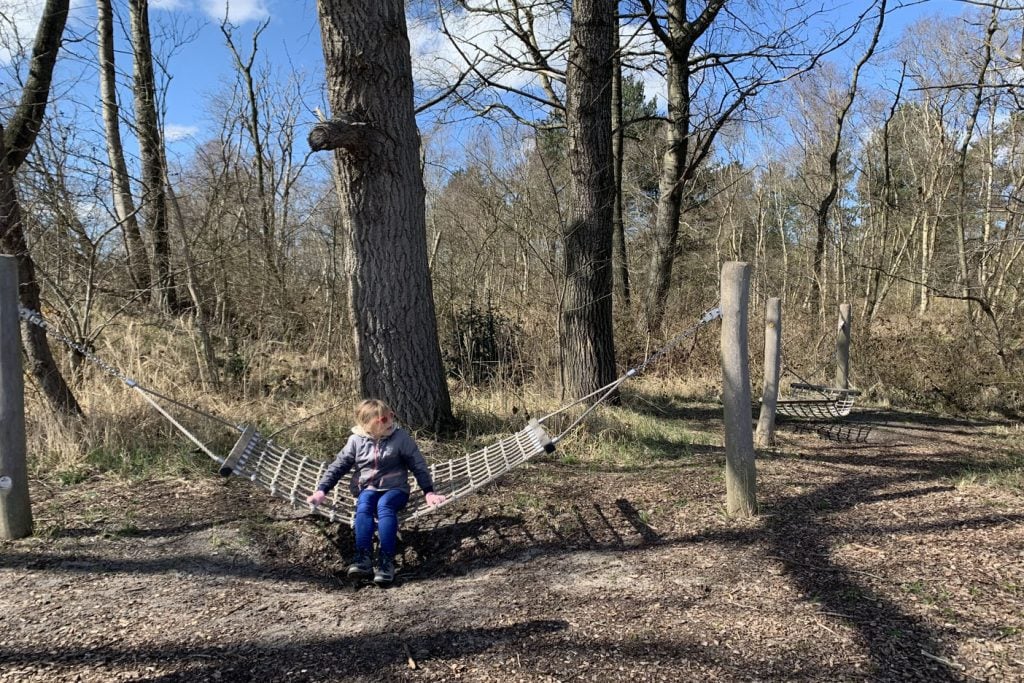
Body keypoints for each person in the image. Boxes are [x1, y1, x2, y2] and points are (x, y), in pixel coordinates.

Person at [306, 399, 446, 585]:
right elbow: (338, 466)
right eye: (383, 419)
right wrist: (321, 490)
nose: (390, 421)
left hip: (396, 490)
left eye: (391, 416)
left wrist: (428, 492)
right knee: (364, 504)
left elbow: (417, 464)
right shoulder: (355, 441)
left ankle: (386, 561)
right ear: (367, 425)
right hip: (368, 488)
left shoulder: (400, 438)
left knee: (384, 505)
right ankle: (363, 557)